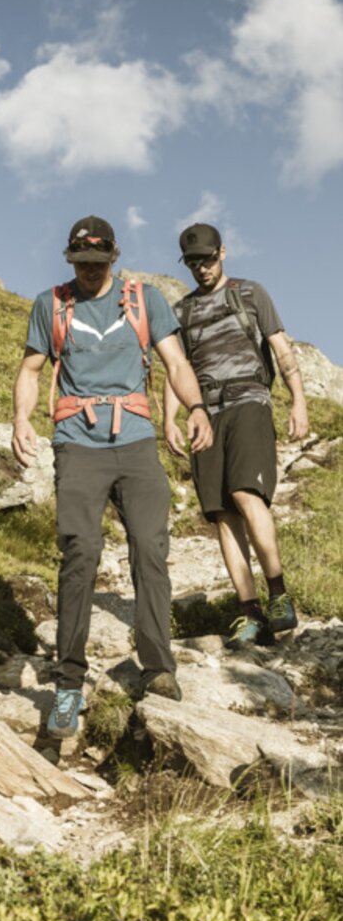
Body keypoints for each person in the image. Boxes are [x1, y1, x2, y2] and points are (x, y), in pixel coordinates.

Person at [12, 216, 213, 738]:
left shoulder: (144, 299)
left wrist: (195, 406)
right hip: (77, 443)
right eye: (81, 264)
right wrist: (19, 420)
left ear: (113, 259)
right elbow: (31, 370)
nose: (89, 273)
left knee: (150, 547)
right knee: (80, 551)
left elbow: (174, 360)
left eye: (98, 265)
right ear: (70, 260)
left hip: (137, 442)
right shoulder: (51, 304)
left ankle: (158, 670)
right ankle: (68, 683)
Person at [163, 223, 308, 648]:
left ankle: (278, 595)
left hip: (249, 401)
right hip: (205, 413)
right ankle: (251, 615)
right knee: (221, 513)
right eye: (193, 262)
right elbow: (177, 371)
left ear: (223, 252)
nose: (201, 268)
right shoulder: (181, 312)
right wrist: (169, 419)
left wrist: (298, 401)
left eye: (207, 259)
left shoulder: (250, 293)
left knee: (246, 495)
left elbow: (282, 349)